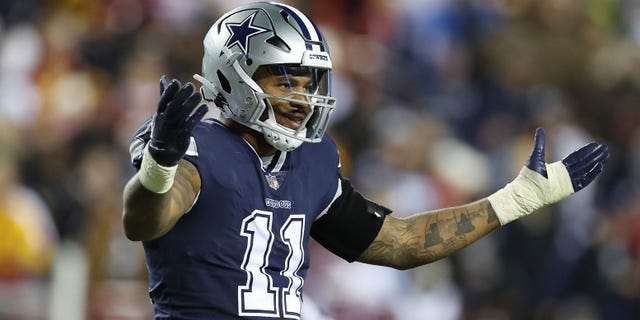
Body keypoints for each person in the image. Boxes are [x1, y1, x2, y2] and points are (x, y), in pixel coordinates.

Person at [121, 2, 609, 319]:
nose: (302, 98)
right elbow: (145, 218)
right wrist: (160, 165)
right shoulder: (191, 144)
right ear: (231, 76)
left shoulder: (310, 160)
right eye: (284, 80)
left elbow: (400, 243)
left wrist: (515, 199)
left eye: (309, 82)